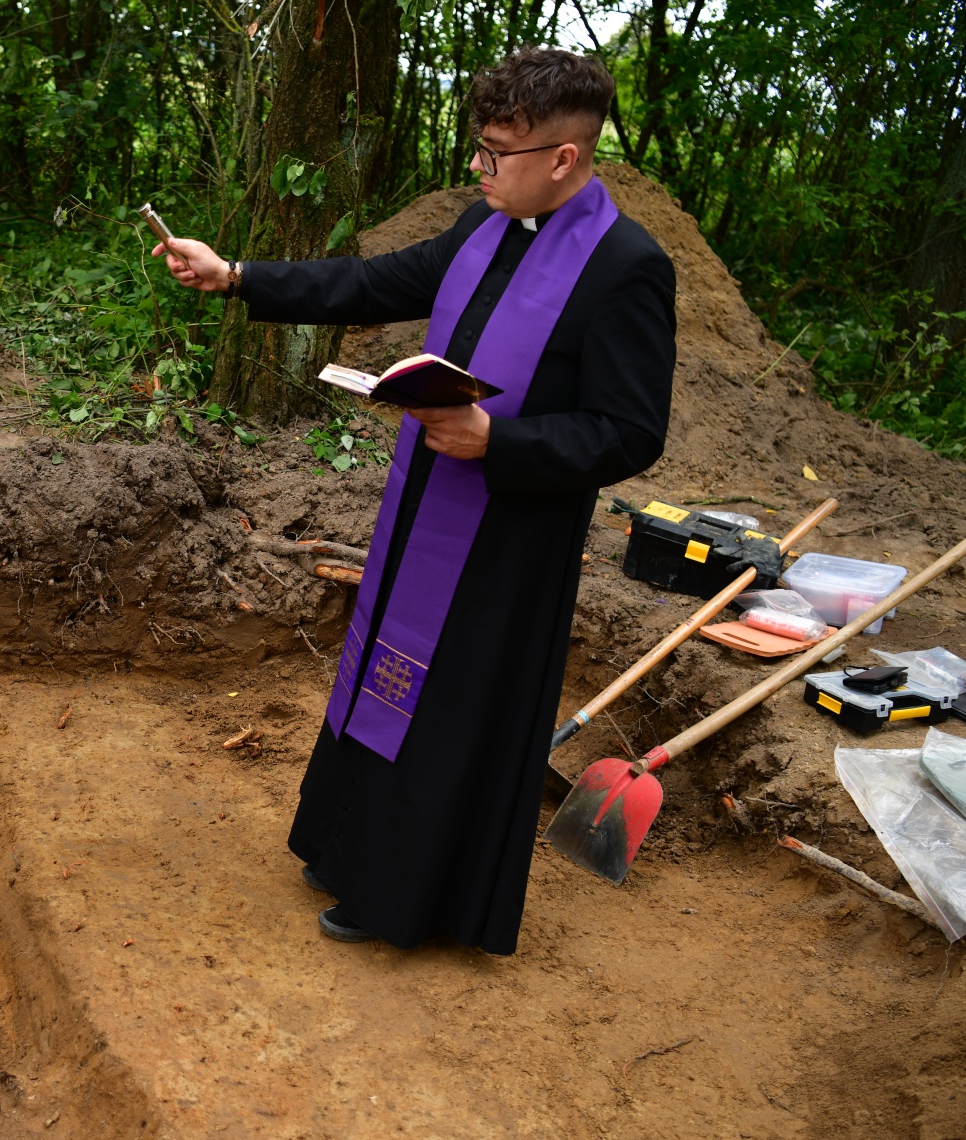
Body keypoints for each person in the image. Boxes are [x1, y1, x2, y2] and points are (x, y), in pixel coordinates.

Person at [156, 47, 676, 953]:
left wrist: (498, 441)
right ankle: (344, 847)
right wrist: (237, 275)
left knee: (451, 708)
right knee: (385, 671)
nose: (478, 167)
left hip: (512, 535)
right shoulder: (485, 227)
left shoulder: (627, 267)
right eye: (478, 147)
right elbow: (374, 282)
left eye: (496, 153)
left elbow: (630, 432)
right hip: (427, 501)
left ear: (565, 158)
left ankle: (399, 896)